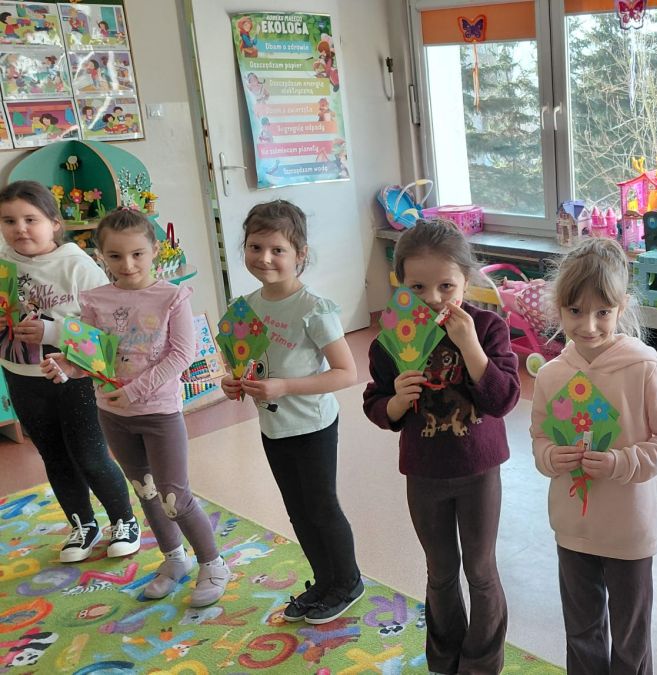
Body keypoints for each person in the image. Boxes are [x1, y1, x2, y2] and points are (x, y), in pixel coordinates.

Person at [41, 208, 229, 607]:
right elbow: (94, 358)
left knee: (174, 496)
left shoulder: (171, 297)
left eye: (137, 254)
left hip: (160, 414)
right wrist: (68, 366)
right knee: (145, 491)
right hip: (114, 416)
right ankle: (174, 559)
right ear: (100, 256)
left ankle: (213, 563)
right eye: (115, 256)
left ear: (154, 251)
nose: (127, 265)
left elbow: (181, 355)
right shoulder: (95, 300)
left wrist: (134, 391)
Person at [363, 218, 519, 673]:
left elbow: (503, 399)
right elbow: (375, 402)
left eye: (446, 286)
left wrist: (470, 346)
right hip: (425, 472)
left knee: (481, 571)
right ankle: (445, 660)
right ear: (400, 283)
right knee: (441, 572)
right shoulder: (392, 339)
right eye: (417, 287)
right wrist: (396, 402)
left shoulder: (487, 327)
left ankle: (481, 664)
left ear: (466, 281)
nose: (432, 298)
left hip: (479, 471)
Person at [530, 237, 657, 674]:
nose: (589, 326)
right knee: (581, 633)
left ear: (622, 308)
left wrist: (623, 462)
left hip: (628, 531)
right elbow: (539, 440)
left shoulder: (642, 366)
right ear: (559, 309)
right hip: (573, 530)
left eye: (603, 312)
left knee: (630, 637)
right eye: (575, 311)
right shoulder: (551, 375)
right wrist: (552, 458)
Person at [219, 200, 361, 624]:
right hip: (273, 425)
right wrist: (233, 383)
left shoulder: (312, 308)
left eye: (277, 249)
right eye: (255, 247)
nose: (264, 258)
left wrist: (285, 386)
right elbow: (243, 366)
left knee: (321, 507)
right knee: (297, 510)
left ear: (300, 254)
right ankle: (325, 579)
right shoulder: (244, 306)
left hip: (313, 424)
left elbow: (346, 373)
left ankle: (347, 582)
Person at [0, 180, 137, 564]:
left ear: (55, 223)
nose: (20, 229)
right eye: (9, 221)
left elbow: (108, 332)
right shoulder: (3, 262)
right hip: (21, 375)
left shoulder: (77, 266)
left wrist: (52, 331)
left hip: (73, 378)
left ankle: (124, 520)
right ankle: (83, 524)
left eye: (31, 219)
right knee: (54, 456)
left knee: (90, 456)